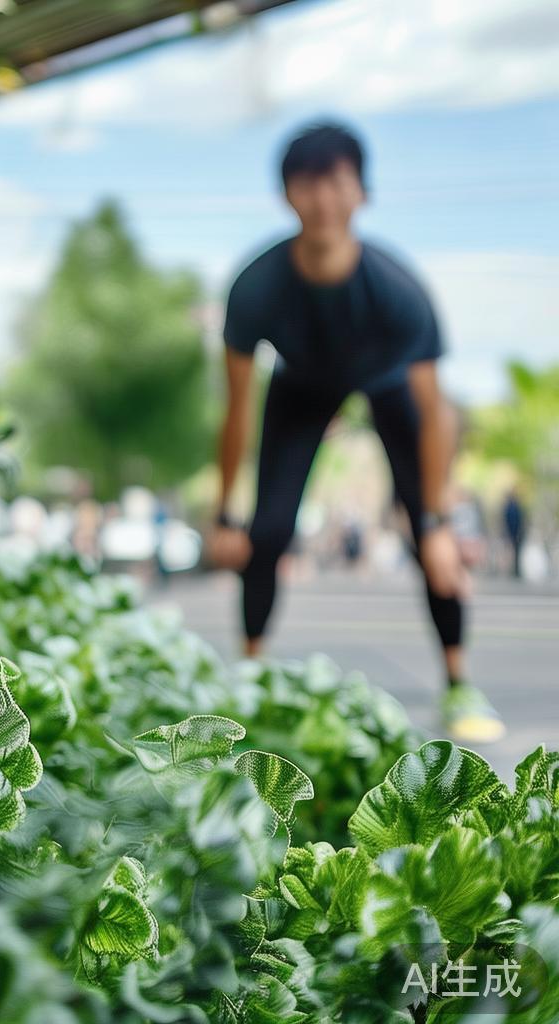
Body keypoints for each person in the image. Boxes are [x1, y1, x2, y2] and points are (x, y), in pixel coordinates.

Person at [206, 120, 504, 743]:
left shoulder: (398, 292)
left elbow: (437, 412)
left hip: (389, 383)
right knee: (268, 530)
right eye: (307, 184)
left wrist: (438, 521)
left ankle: (458, 681)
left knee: (432, 539)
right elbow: (237, 410)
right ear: (287, 195)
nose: (323, 199)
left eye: (337, 183)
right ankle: (249, 680)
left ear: (362, 193)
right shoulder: (256, 287)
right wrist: (225, 512)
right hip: (300, 386)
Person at [502, 486, 526, 578]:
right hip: (511, 533)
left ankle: (516, 570)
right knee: (510, 552)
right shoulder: (509, 507)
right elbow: (505, 521)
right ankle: (511, 569)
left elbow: (521, 521)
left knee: (517, 553)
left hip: (516, 533)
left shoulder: (517, 507)